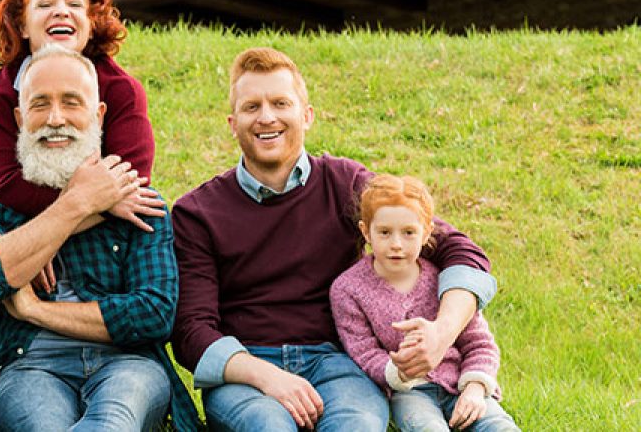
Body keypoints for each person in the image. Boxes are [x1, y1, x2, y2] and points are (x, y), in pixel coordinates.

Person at [171, 47, 499, 431]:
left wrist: (442, 334)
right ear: (232, 122)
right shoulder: (197, 212)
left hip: (336, 363)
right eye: (251, 106)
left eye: (280, 103)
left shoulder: (346, 184)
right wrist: (268, 377)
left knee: (357, 425)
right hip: (248, 369)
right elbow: (191, 331)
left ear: (306, 116)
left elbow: (457, 247)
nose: (267, 117)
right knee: (269, 427)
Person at [0, 45, 198, 432]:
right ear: (20, 118)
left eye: (71, 102)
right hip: (27, 366)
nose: (55, 119)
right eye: (40, 105)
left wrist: (36, 310)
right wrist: (77, 204)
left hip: (127, 365)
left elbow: (153, 314)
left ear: (98, 115)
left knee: (113, 422)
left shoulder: (140, 204)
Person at [0, 0, 160, 227]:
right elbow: (4, 185)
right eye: (45, 4)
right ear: (23, 25)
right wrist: (52, 230)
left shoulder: (122, 90)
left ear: (91, 22)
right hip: (16, 224)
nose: (61, 11)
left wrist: (57, 225)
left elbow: (131, 182)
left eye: (74, 4)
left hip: (104, 236)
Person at [330, 174, 519, 431]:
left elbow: (479, 342)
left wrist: (475, 388)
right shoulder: (348, 289)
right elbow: (363, 351)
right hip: (409, 391)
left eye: (409, 233)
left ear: (426, 232)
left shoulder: (443, 281)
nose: (396, 244)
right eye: (384, 232)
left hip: (462, 382)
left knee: (498, 426)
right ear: (366, 231)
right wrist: (397, 371)